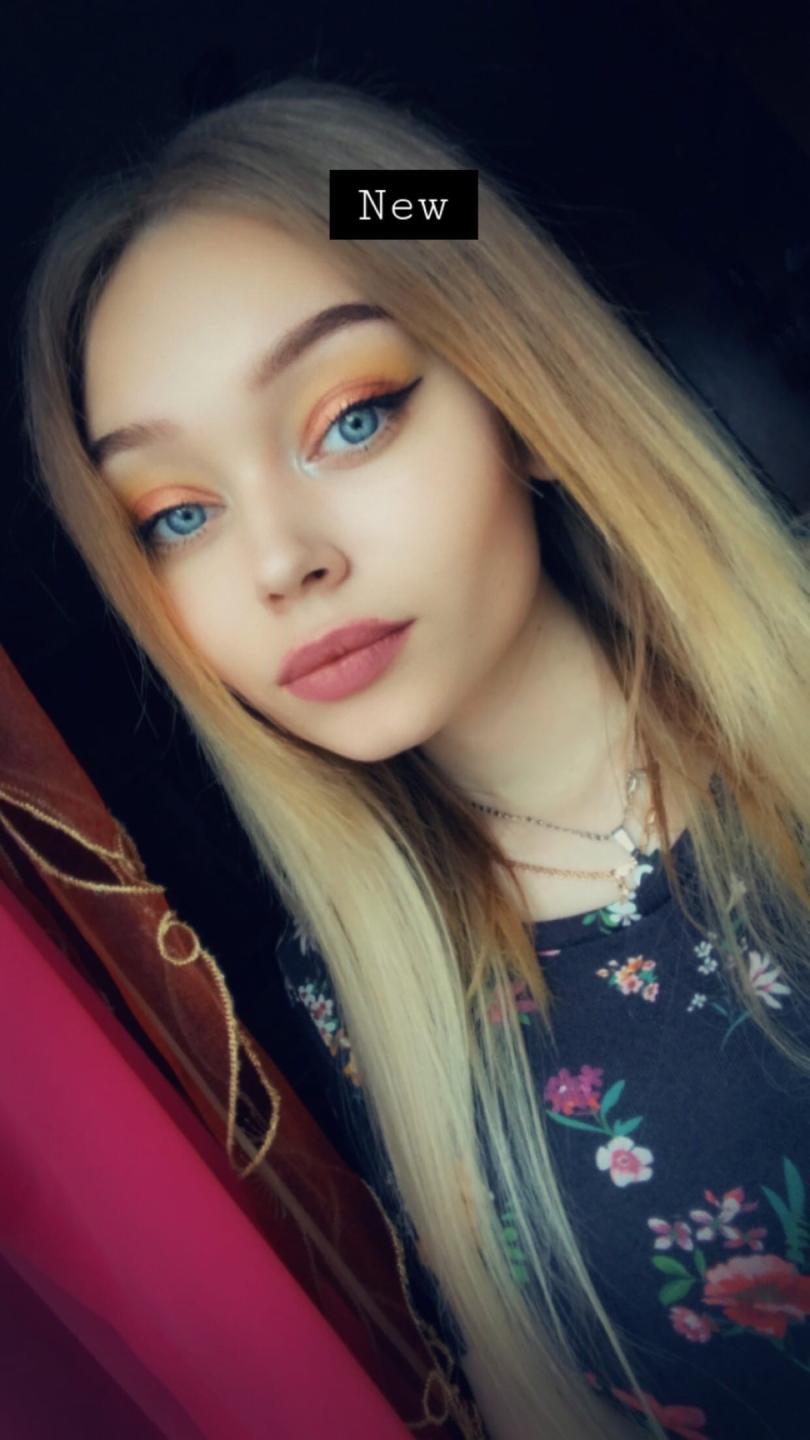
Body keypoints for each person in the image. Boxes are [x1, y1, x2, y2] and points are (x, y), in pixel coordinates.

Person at [17, 75, 810, 1440]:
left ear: (523, 397)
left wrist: (385, 197)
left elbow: (451, 222)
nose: (281, 560)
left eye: (352, 416)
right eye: (178, 512)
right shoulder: (352, 983)